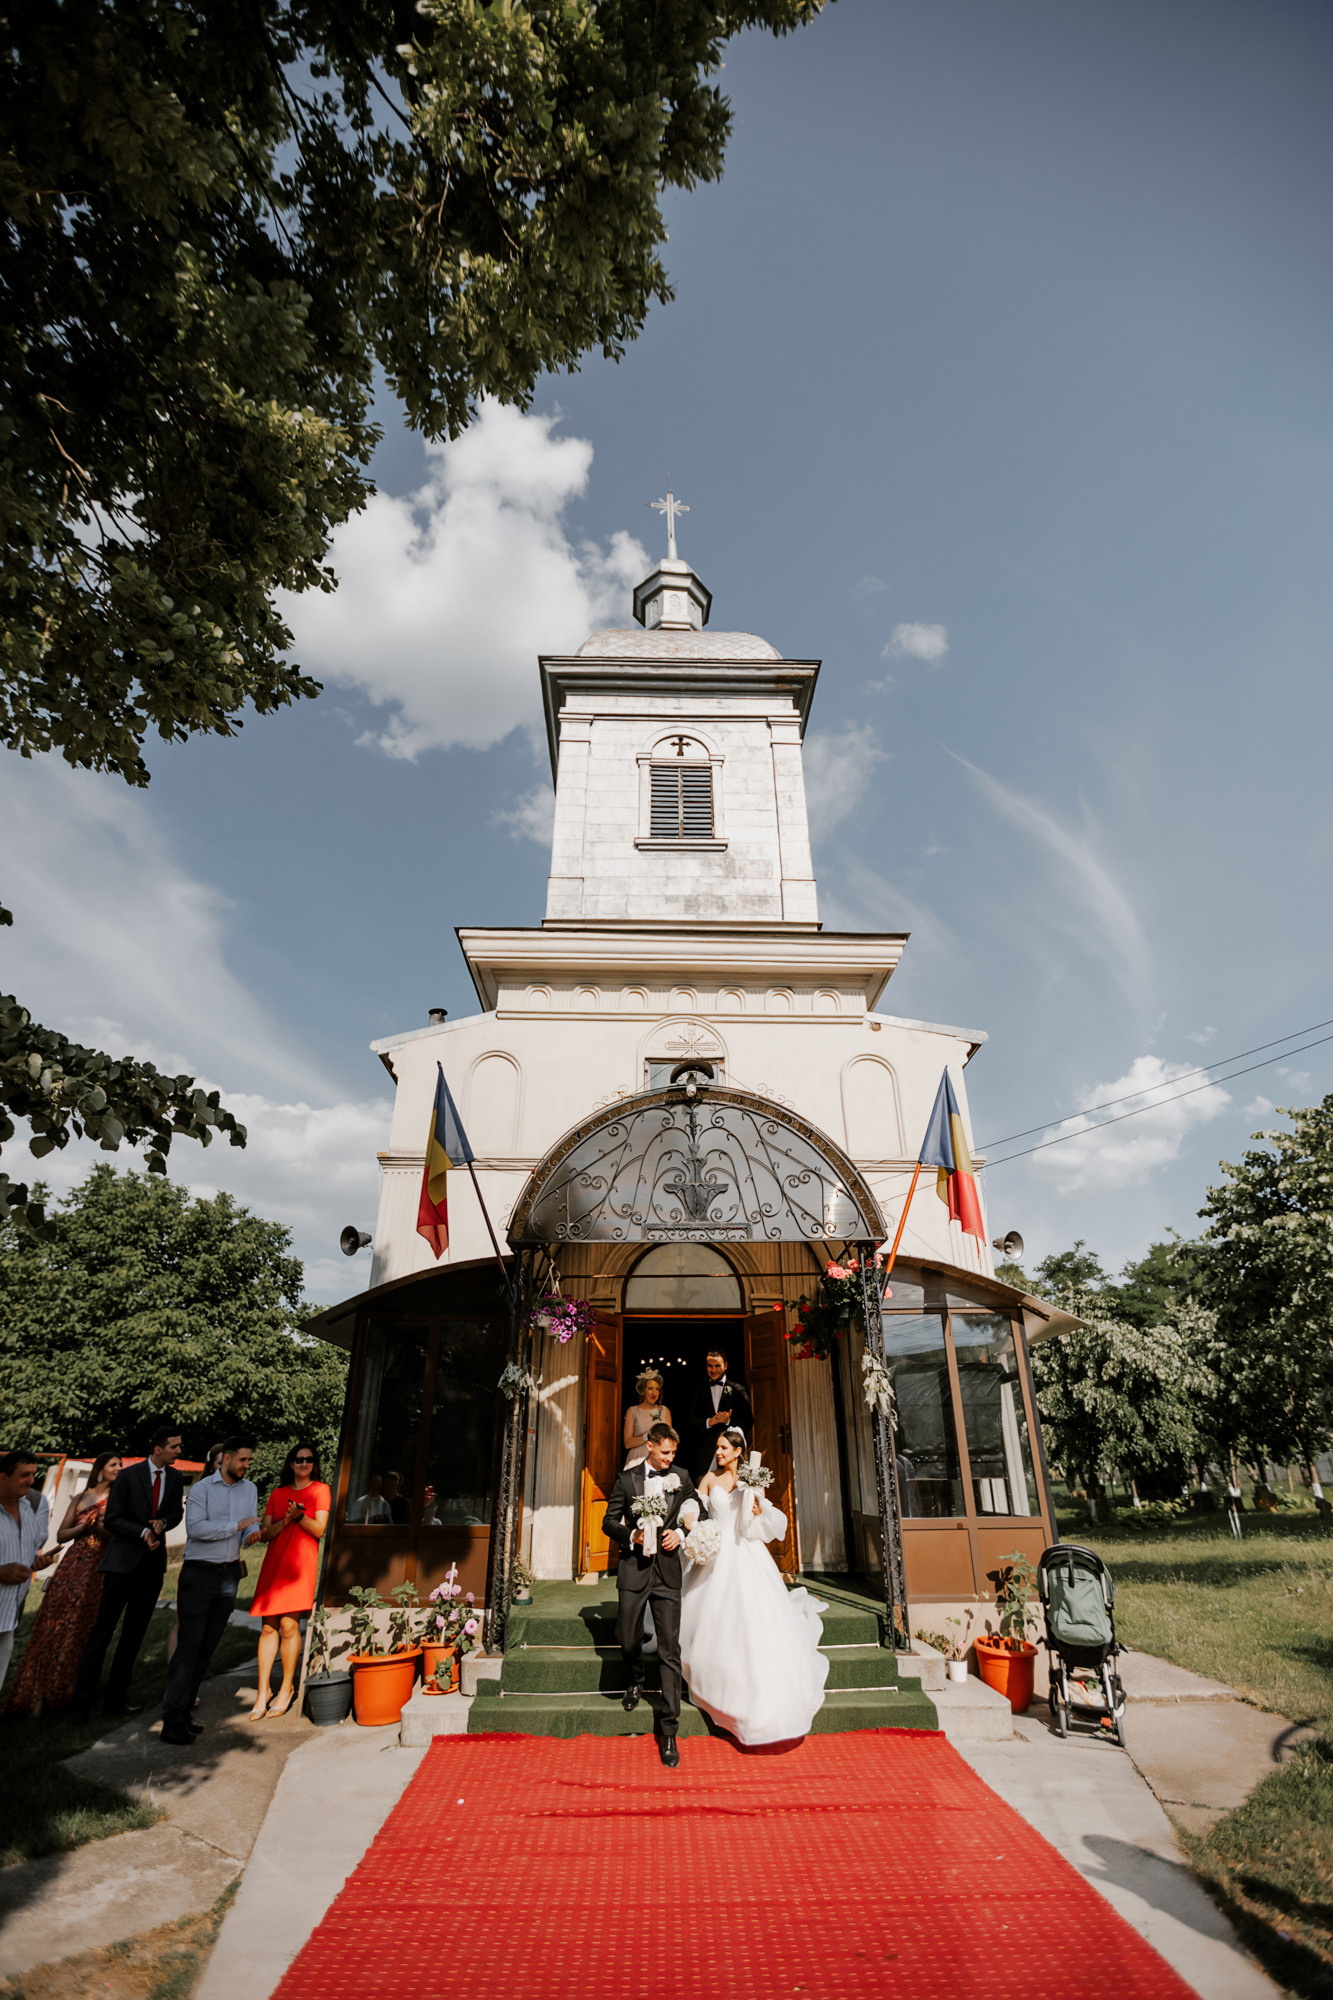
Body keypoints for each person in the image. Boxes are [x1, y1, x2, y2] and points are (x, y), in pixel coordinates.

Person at [679, 1427, 829, 1746]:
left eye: (723, 1448)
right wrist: (692, 1520)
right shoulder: (709, 1479)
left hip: (745, 1551)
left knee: (756, 1619)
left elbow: (758, 1524)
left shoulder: (752, 1481)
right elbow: (692, 1506)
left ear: (738, 1451)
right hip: (716, 1550)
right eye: (717, 1447)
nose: (718, 1452)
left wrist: (759, 1508)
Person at [601, 1422, 703, 1769]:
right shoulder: (626, 1479)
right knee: (627, 1637)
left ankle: (669, 1729)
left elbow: (696, 1509)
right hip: (634, 1570)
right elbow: (608, 1521)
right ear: (649, 1446)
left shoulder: (682, 1475)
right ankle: (636, 1679)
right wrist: (632, 1536)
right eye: (665, 1452)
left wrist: (679, 1530)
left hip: (668, 1573)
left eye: (673, 1453)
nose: (669, 1459)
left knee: (669, 1649)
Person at [74, 1426, 184, 1718]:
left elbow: (176, 1512)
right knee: (103, 1632)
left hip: (151, 1568)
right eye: (174, 1446)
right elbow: (112, 1519)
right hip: (122, 1564)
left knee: (133, 1637)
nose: (179, 1451)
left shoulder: (174, 1477)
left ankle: (115, 1702)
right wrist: (142, 1532)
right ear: (158, 1448)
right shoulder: (128, 1476)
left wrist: (163, 1522)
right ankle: (82, 1704)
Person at [159, 1436, 262, 1746]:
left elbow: (246, 1531)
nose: (246, 1465)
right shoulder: (202, 1489)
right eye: (242, 1460)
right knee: (188, 1649)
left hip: (228, 1575)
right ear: (226, 1459)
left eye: (248, 1460)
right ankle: (171, 1721)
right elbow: (197, 1529)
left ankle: (185, 1712)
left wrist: (251, 1535)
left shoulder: (250, 1489)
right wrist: (236, 1525)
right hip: (199, 1575)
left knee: (207, 1649)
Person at [6, 1452, 122, 1715]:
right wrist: (85, 1527)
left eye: (120, 1465)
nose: (118, 1469)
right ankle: (37, 1695)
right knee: (54, 1624)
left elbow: (113, 1533)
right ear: (100, 1469)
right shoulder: (82, 1497)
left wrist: (98, 1527)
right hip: (73, 1565)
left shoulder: (117, 1499)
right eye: (114, 1465)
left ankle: (69, 1691)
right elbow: (62, 1533)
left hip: (100, 1567)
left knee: (83, 1628)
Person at [248, 1442, 331, 1720]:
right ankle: (262, 1691)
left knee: (288, 1626)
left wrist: (299, 1517)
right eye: (298, 1459)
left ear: (314, 1463)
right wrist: (285, 1520)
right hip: (274, 1565)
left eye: (308, 1459)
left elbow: (319, 1530)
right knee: (268, 1628)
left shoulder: (321, 1490)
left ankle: (286, 1688)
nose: (303, 1463)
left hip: (299, 1566)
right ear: (291, 1464)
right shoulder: (278, 1494)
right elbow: (267, 1533)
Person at [0, 1450, 56, 1696]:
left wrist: (35, 1564)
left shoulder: (28, 1509)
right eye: (24, 1475)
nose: (31, 1480)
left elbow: (23, 1555)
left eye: (33, 1474)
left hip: (9, 1617)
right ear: (3, 1477)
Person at [166, 1444, 225, 1673]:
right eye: (220, 1463)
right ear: (211, 1465)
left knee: (208, 1627)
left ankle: (193, 1676)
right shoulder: (201, 1490)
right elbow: (198, 1530)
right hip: (199, 1566)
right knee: (185, 1624)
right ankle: (177, 1673)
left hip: (222, 1568)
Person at [687, 1348, 755, 1481]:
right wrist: (708, 1422)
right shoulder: (698, 1390)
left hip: (731, 1455)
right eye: (709, 1366)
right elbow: (689, 1421)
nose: (713, 1370)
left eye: (717, 1365)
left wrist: (728, 1421)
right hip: (704, 1455)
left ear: (725, 1365)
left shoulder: (738, 1389)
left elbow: (749, 1420)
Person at [622, 1370, 673, 1470]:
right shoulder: (633, 1411)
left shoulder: (665, 1411)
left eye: (657, 1389)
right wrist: (647, 1436)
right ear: (643, 1391)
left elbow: (669, 1441)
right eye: (650, 1388)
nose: (654, 1393)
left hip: (658, 1459)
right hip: (637, 1458)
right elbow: (627, 1443)